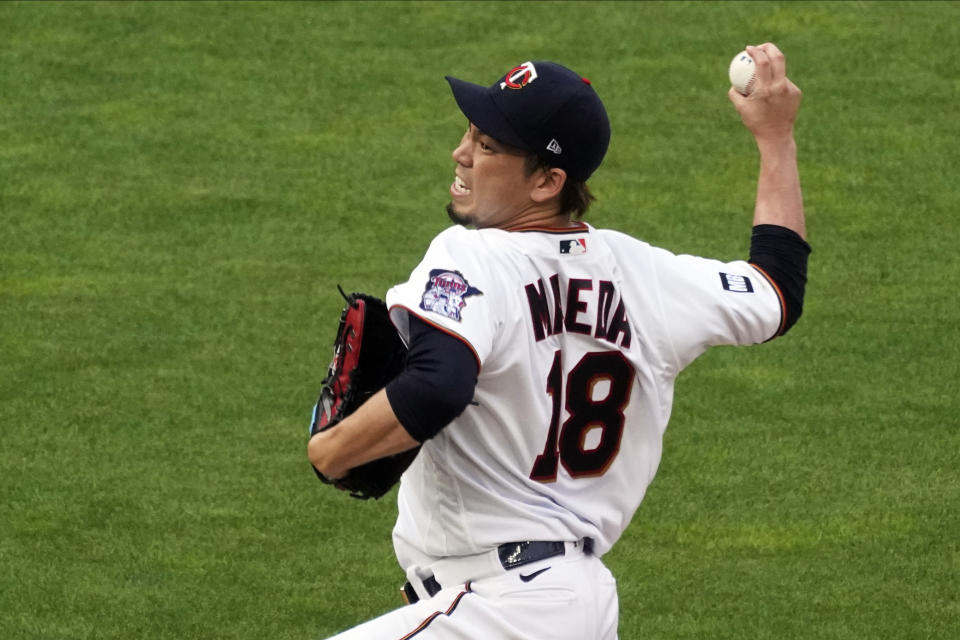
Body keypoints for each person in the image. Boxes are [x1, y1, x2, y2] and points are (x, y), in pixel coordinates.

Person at [308, 43, 809, 639]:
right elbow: (777, 289)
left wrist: (331, 452)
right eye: (470, 133)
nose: (461, 154)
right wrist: (775, 138)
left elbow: (440, 384)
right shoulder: (647, 276)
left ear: (548, 181)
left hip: (498, 608)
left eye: (488, 147)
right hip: (576, 605)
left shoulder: (472, 254)